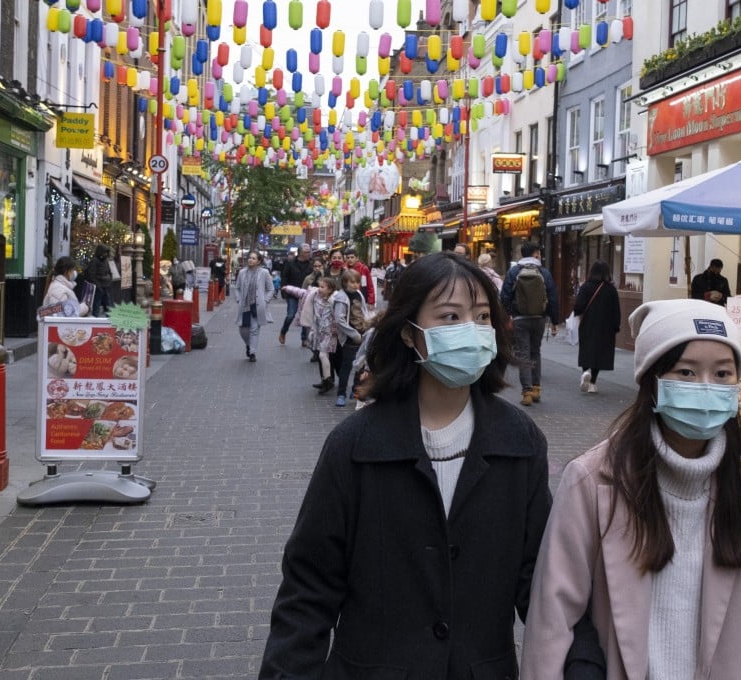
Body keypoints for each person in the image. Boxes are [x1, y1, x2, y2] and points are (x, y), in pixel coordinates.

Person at [259, 251, 598, 678]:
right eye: (450, 317)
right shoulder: (355, 445)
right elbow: (308, 589)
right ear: (408, 333)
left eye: (481, 317)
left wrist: (584, 663)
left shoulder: (519, 441)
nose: (471, 332)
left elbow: (545, 582)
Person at [520, 299, 741, 680]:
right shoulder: (593, 481)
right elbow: (552, 617)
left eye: (723, 373)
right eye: (687, 373)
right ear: (652, 381)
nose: (706, 387)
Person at [500, 242, 561, 406]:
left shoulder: (514, 271)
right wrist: (554, 321)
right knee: (536, 352)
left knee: (523, 354)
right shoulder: (544, 272)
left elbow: (504, 297)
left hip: (519, 319)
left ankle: (526, 392)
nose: (539, 255)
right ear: (535, 254)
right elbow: (553, 297)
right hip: (539, 319)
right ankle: (536, 389)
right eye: (538, 253)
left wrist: (507, 315)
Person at [572, 261, 622, 395]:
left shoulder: (586, 287)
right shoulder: (610, 289)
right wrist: (616, 326)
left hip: (587, 324)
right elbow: (616, 310)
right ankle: (593, 382)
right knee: (600, 353)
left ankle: (585, 372)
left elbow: (578, 306)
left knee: (586, 349)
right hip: (606, 327)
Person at [283, 276, 338, 394]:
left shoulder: (335, 300)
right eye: (319, 286)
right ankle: (325, 379)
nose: (319, 289)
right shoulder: (315, 296)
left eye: (323, 287)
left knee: (323, 355)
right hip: (318, 332)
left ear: (330, 289)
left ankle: (328, 380)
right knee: (320, 355)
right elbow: (301, 292)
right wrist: (288, 288)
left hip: (329, 333)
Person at [331, 268, 369, 407]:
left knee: (361, 364)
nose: (355, 285)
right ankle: (341, 394)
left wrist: (368, 327)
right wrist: (353, 334)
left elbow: (364, 311)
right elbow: (339, 319)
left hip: (362, 334)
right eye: (352, 282)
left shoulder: (359, 294)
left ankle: (355, 389)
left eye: (357, 282)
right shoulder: (341, 298)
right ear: (344, 283)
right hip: (349, 338)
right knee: (346, 366)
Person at [232, 250, 273, 362]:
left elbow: (270, 289)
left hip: (257, 306)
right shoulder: (242, 272)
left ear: (259, 261)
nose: (250, 260)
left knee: (254, 329)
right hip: (244, 306)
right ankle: (248, 345)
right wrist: (238, 299)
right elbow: (237, 288)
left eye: (254, 258)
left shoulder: (264, 273)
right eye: (250, 257)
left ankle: (252, 352)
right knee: (243, 329)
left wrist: (265, 300)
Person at [280, 243, 315, 347]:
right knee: (290, 315)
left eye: (309, 251)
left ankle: (304, 339)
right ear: (300, 253)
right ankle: (283, 331)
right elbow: (284, 277)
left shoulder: (311, 264)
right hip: (292, 293)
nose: (308, 254)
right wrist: (284, 292)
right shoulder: (290, 263)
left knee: (305, 315)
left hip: (306, 294)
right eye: (306, 252)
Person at [84, 244, 113, 316]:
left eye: (106, 253)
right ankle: (95, 319)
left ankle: (109, 320)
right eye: (104, 253)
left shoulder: (106, 261)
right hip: (98, 287)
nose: (105, 254)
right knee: (97, 304)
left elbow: (109, 271)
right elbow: (91, 275)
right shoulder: (95, 261)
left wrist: (109, 280)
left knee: (108, 305)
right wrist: (98, 286)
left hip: (105, 286)